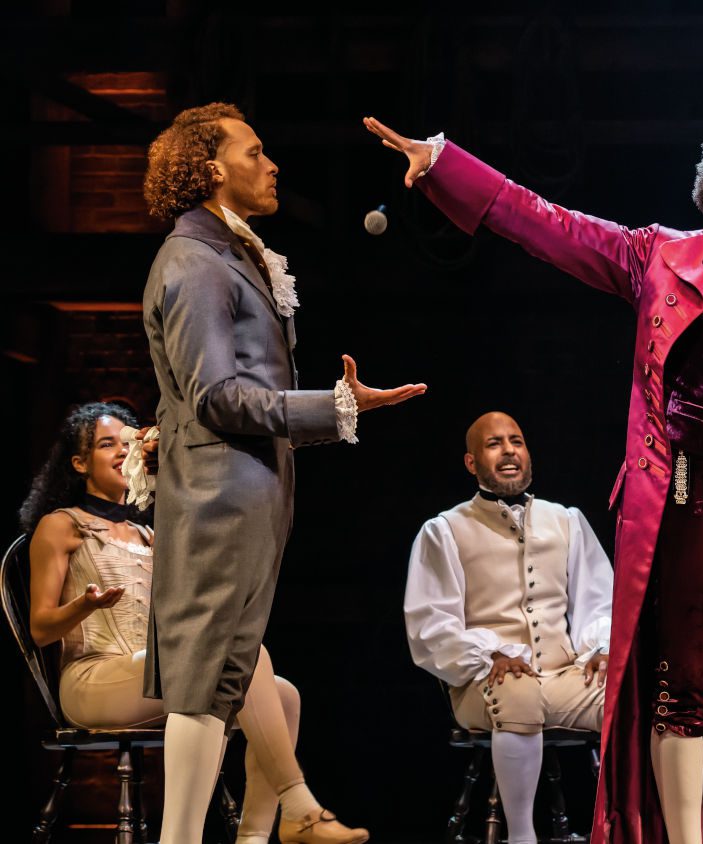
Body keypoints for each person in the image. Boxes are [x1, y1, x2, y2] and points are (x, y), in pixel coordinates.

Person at [366, 115, 703, 844]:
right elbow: (545, 223)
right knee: (684, 688)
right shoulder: (659, 257)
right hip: (690, 501)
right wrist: (446, 165)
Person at [141, 103, 425, 844]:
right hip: (216, 498)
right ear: (211, 169)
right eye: (254, 152)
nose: (272, 165)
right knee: (204, 683)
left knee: (223, 679)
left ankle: (273, 821)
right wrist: (334, 406)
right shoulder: (196, 261)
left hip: (245, 491)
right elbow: (215, 395)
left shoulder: (231, 255)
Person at [20, 402, 367, 844]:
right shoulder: (62, 525)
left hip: (155, 674)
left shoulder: (150, 533)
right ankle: (297, 804)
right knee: (235, 655)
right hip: (94, 680)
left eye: (127, 442)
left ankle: (254, 835)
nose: (121, 451)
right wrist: (85, 605)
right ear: (79, 463)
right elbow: (41, 629)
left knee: (284, 696)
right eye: (107, 444)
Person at [405, 412, 613, 844]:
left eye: (516, 441)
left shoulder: (565, 520)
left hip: (562, 677)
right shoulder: (445, 530)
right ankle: (521, 836)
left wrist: (600, 648)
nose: (508, 451)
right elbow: (430, 626)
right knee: (517, 691)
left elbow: (599, 599)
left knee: (631, 694)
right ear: (471, 462)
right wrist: (489, 653)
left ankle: (624, 826)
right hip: (483, 683)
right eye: (494, 444)